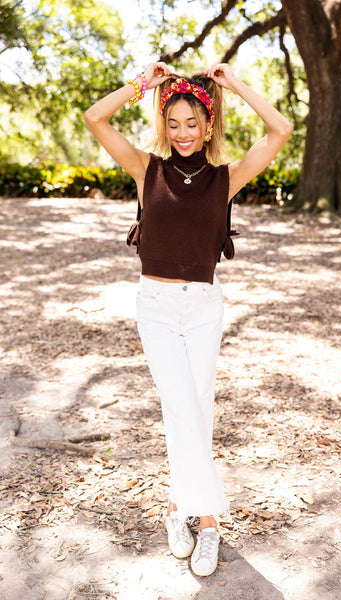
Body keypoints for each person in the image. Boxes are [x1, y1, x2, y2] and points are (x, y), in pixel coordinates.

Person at [84, 61, 292, 577]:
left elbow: (281, 130)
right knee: (180, 407)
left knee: (196, 410)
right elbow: (94, 118)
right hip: (154, 306)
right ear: (164, 124)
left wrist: (233, 84)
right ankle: (211, 520)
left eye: (192, 124)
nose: (181, 133)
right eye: (172, 123)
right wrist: (146, 84)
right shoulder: (144, 169)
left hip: (203, 306)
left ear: (208, 127)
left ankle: (181, 509)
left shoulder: (227, 178)